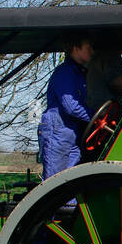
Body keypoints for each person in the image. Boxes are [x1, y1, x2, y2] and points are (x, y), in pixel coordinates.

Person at [37, 35, 95, 181]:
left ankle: (69, 205)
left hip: (72, 133)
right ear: (76, 49)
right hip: (58, 132)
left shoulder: (80, 74)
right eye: (88, 47)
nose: (92, 52)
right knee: (55, 182)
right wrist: (96, 117)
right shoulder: (65, 72)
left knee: (71, 182)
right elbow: (72, 107)